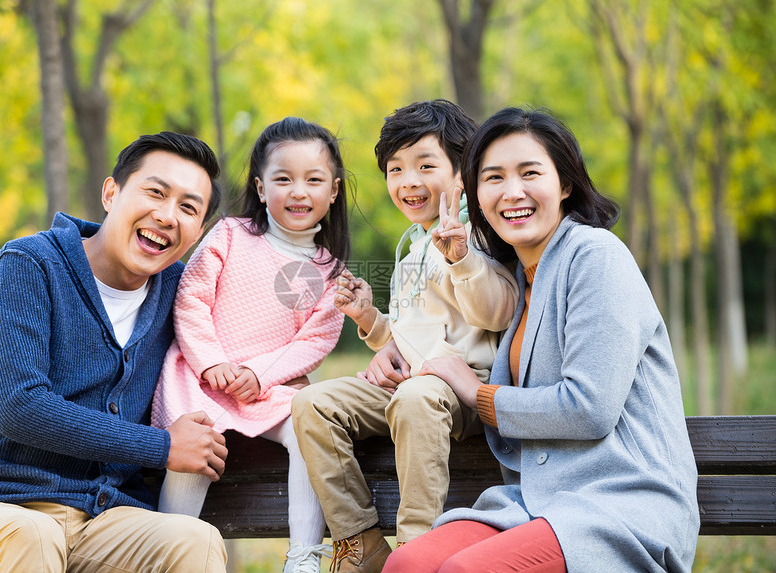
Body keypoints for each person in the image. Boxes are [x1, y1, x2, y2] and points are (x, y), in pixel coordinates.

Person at [383, 106, 700, 573]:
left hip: (621, 502)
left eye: (529, 173)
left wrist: (476, 393)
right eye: (493, 178)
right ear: (475, 195)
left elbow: (589, 409)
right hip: (535, 502)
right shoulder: (518, 278)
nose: (512, 192)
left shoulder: (596, 257)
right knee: (407, 564)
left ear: (564, 184)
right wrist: (390, 345)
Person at [0, 132, 230, 572]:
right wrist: (161, 446)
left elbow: (244, 345)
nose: (167, 216)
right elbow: (19, 407)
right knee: (33, 535)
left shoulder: (180, 293)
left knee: (194, 541)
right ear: (111, 193)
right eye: (155, 192)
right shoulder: (30, 265)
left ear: (197, 232)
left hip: (106, 522)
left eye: (188, 208)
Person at [291, 99, 519, 573]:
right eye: (396, 169)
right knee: (312, 404)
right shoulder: (412, 244)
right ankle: (360, 541)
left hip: (465, 387)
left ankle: (418, 549)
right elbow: (409, 336)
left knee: (416, 396)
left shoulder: (475, 234)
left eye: (425, 165)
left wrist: (461, 258)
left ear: (462, 173)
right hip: (414, 386)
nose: (408, 181)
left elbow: (496, 312)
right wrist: (370, 320)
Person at [151, 117, 350, 573]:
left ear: (333, 191)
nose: (299, 191)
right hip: (201, 379)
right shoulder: (229, 235)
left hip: (266, 386)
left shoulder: (330, 270)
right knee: (196, 442)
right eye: (283, 179)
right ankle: (168, 549)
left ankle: (303, 555)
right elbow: (192, 300)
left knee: (309, 430)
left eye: (313, 180)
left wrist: (260, 374)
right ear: (261, 189)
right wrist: (211, 362)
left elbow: (314, 340)